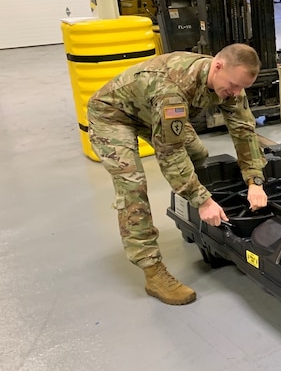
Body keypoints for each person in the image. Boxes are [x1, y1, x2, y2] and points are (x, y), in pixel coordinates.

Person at [87, 43, 268, 305]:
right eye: (232, 85)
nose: (235, 93)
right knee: (132, 184)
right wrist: (202, 199)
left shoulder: (231, 83)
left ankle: (196, 214)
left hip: (152, 110)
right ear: (217, 66)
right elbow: (169, 152)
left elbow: (243, 129)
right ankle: (152, 271)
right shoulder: (171, 89)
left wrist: (254, 180)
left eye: (241, 88)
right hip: (113, 115)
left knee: (198, 154)